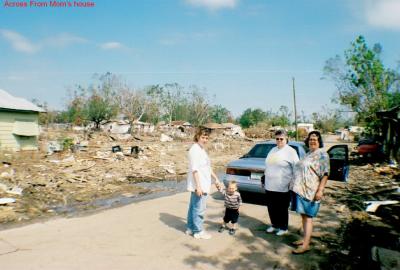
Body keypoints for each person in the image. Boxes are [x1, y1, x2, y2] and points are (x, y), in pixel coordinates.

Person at [290, 131, 330, 254]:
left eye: (315, 139)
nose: (312, 141)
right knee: (303, 215)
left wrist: (320, 190)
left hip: (311, 191)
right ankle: (305, 239)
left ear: (319, 142)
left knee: (308, 218)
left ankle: (306, 245)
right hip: (301, 190)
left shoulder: (322, 155)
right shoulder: (308, 154)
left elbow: (325, 174)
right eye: (311, 139)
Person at [186, 128, 221, 240]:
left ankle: (191, 228)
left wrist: (216, 179)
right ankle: (198, 231)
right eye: (203, 137)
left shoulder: (201, 150)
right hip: (199, 185)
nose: (205, 140)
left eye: (207, 138)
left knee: (194, 207)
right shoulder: (195, 150)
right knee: (199, 209)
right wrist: (198, 187)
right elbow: (195, 170)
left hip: (203, 183)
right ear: (197, 137)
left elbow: (207, 167)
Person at [263, 129, 299, 236]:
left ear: (286, 139)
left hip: (283, 186)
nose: (279, 141)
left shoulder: (291, 152)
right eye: (277, 139)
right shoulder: (272, 150)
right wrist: (264, 177)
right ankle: (274, 225)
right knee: (271, 207)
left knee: (281, 208)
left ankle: (283, 227)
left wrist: (292, 183)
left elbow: (296, 169)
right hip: (269, 185)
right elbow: (268, 165)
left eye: (281, 139)